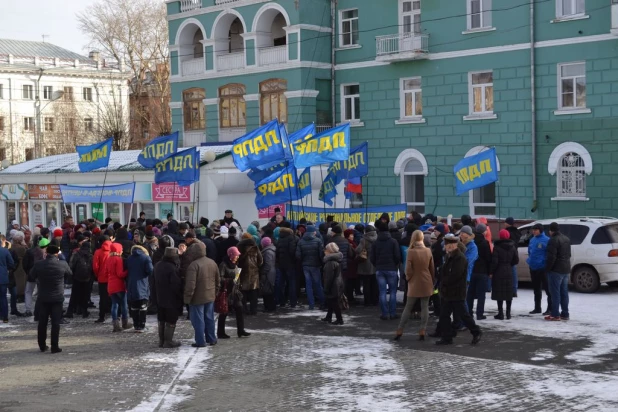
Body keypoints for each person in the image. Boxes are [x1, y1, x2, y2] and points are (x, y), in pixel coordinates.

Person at [436, 235, 482, 345]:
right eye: (447, 244)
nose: (449, 246)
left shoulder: (460, 258)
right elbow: (445, 272)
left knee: (464, 315)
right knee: (444, 315)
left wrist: (444, 281)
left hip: (457, 292)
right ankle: (447, 337)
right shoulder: (449, 257)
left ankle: (476, 332)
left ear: (456, 245)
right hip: (448, 292)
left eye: (452, 244)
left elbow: (455, 275)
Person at [395, 230, 435, 341]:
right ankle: (422, 330)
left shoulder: (411, 251)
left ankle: (400, 330)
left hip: (414, 281)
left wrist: (408, 278)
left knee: (408, 307)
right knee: (425, 306)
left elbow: (408, 269)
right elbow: (432, 268)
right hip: (426, 280)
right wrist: (432, 280)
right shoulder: (428, 250)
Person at [31, 244, 71, 353]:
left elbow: (31, 276)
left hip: (43, 297)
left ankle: (42, 345)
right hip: (57, 297)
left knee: (42, 322)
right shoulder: (62, 264)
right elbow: (70, 274)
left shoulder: (39, 264)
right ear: (57, 253)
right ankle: (55, 346)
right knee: (55, 322)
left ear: (46, 253)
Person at [184, 242, 220, 347]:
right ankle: (212, 338)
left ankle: (200, 341)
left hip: (197, 298)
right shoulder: (212, 262)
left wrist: (187, 299)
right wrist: (215, 292)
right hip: (210, 296)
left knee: (198, 321)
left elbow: (190, 285)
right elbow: (218, 280)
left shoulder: (194, 265)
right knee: (209, 318)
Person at [370, 221, 401, 320]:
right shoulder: (393, 241)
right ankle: (392, 313)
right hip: (391, 269)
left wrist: (377, 265)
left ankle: (384, 314)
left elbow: (372, 257)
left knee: (382, 292)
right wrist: (395, 265)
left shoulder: (375, 242)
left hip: (380, 269)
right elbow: (397, 256)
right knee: (392, 292)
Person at [153, 247, 183, 348]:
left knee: (161, 319)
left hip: (159, 297)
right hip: (171, 298)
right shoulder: (172, 268)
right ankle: (168, 341)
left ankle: (161, 341)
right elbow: (175, 285)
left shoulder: (157, 265)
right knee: (171, 319)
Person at [218, 247, 250, 339]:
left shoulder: (235, 265)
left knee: (240, 309)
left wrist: (238, 283)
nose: (237, 257)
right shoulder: (223, 265)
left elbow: (237, 277)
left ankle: (241, 330)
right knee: (224, 312)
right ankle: (220, 333)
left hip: (235, 292)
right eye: (236, 255)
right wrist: (230, 281)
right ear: (231, 255)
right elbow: (220, 278)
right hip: (226, 292)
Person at [545, 222, 571, 321]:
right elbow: (569, 254)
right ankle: (565, 313)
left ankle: (555, 314)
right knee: (564, 292)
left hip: (556, 270)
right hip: (565, 268)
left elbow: (551, 257)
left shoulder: (553, 240)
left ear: (551, 230)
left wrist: (547, 269)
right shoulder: (566, 239)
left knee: (555, 293)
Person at [491, 230, 519, 320]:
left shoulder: (497, 247)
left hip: (499, 271)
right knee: (508, 293)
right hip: (509, 270)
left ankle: (500, 313)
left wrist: (491, 271)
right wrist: (509, 264)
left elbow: (494, 262)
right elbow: (516, 260)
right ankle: (508, 313)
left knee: (499, 292)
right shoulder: (513, 247)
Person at [296, 225, 325, 310]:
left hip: (305, 265)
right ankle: (322, 302)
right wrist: (320, 262)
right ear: (313, 232)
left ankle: (311, 304)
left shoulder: (301, 241)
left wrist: (303, 261)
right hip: (315, 265)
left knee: (308, 285)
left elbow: (298, 255)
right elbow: (321, 254)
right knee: (318, 284)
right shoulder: (318, 241)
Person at [466, 223, 492, 320]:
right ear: (484, 231)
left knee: (470, 294)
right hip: (482, 271)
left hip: (471, 271)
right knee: (481, 294)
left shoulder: (471, 242)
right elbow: (489, 258)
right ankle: (479, 314)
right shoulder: (485, 243)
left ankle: (469, 312)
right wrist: (490, 271)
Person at [126, 245, 153, 332]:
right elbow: (150, 270)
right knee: (143, 306)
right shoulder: (146, 258)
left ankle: (136, 324)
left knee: (134, 307)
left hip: (131, 285)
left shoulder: (129, 259)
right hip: (142, 284)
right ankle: (142, 325)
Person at [527, 223, 551, 315]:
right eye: (533, 230)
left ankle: (550, 308)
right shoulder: (532, 239)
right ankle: (537, 308)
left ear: (540, 230)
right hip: (533, 267)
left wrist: (544, 263)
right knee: (536, 289)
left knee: (548, 289)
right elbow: (530, 251)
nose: (534, 231)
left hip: (543, 267)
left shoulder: (547, 240)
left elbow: (549, 254)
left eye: (536, 230)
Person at [67, 236, 93, 319]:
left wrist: (72, 274)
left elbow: (71, 265)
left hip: (77, 277)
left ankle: (70, 311)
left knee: (74, 295)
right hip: (87, 278)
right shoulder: (91, 255)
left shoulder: (76, 254)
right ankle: (84, 311)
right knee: (85, 295)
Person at [238, 236, 263, 315]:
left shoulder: (240, 248)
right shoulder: (255, 248)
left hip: (242, 272)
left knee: (243, 292)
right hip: (254, 273)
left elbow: (237, 261)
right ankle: (253, 310)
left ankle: (243, 309)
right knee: (254, 292)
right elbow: (261, 260)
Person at [321, 242, 344, 325]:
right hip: (338, 283)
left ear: (330, 251)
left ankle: (339, 319)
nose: (324, 251)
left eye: (326, 249)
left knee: (334, 302)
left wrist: (326, 288)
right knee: (331, 301)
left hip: (333, 285)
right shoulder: (336, 259)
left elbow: (328, 277)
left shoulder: (330, 262)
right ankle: (329, 316)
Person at [276, 224, 298, 308]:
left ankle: (282, 301)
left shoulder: (280, 239)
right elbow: (292, 251)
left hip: (281, 265)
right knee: (292, 283)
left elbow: (277, 252)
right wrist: (294, 261)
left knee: (281, 284)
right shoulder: (291, 238)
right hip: (290, 264)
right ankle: (293, 302)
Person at [22, 236, 45, 317]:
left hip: (31, 273)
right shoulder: (42, 251)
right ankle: (40, 309)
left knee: (28, 291)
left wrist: (27, 272)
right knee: (41, 292)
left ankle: (28, 310)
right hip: (41, 274)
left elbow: (25, 264)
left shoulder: (29, 251)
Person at [356, 225, 378, 307]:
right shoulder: (377, 238)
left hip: (365, 263)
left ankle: (367, 301)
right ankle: (375, 300)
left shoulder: (363, 240)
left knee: (366, 284)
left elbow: (358, 250)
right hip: (375, 263)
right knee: (374, 283)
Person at [93, 239, 112, 323]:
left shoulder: (98, 252)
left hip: (101, 278)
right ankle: (113, 314)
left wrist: (97, 275)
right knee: (112, 297)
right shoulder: (113, 252)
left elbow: (95, 266)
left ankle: (101, 316)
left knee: (102, 298)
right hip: (111, 278)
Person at [0, 236, 15, 323]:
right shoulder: (5, 251)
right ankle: (5, 316)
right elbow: (11, 263)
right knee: (3, 297)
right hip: (3, 276)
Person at [259, 237, 277, 312]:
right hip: (270, 272)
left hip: (268, 273)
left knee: (267, 290)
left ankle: (269, 307)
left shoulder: (267, 252)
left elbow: (268, 264)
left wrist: (262, 271)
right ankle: (269, 307)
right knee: (268, 290)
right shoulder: (271, 250)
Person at [343, 228, 359, 305]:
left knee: (350, 282)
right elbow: (353, 253)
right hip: (351, 265)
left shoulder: (350, 242)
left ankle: (350, 296)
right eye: (351, 235)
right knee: (350, 283)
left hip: (350, 265)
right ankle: (350, 297)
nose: (352, 236)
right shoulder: (350, 243)